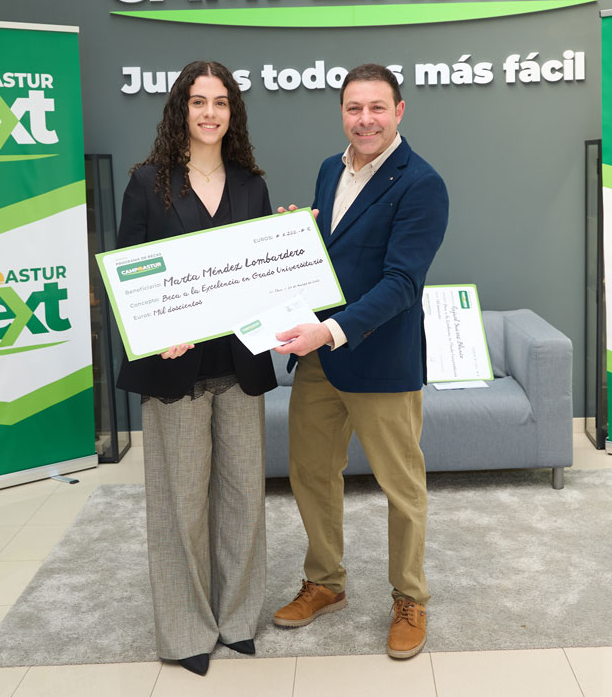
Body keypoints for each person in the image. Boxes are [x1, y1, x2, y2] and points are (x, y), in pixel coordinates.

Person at [272, 63, 448, 659]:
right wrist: (293, 241)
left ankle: (409, 597)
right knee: (310, 472)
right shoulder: (331, 169)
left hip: (379, 360)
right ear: (342, 113)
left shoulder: (421, 183)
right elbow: (333, 258)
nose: (364, 119)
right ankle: (325, 582)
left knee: (402, 487)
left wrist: (328, 331)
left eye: (376, 108)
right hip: (321, 360)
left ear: (399, 111)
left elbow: (402, 283)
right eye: (354, 108)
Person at [115, 60, 276, 677]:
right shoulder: (146, 183)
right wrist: (156, 334)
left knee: (243, 499)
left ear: (234, 112)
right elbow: (128, 273)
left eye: (221, 102)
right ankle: (186, 630)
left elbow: (262, 273)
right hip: (174, 371)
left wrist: (290, 245)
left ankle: (236, 620)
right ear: (180, 109)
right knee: (179, 504)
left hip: (239, 366)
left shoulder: (251, 184)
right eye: (199, 101)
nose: (210, 113)